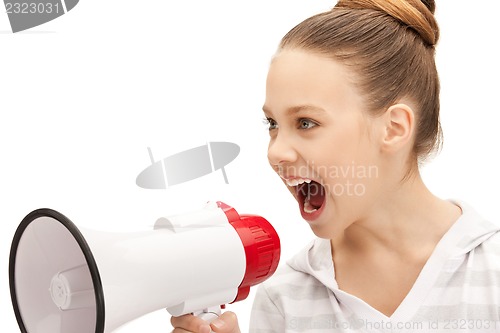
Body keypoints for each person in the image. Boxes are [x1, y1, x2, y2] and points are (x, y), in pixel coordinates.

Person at [171, 0, 500, 332]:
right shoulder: (285, 298)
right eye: (272, 124)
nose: (275, 153)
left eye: (305, 122)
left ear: (394, 128)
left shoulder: (492, 272)